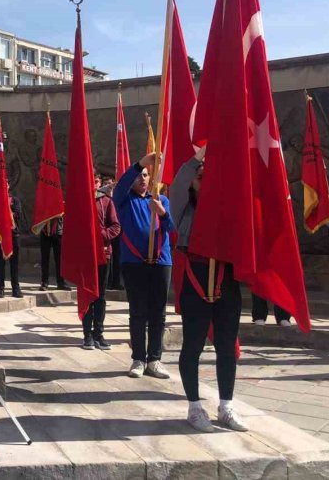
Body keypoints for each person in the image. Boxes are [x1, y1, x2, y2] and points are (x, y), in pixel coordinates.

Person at [170, 146, 248, 433]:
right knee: (193, 345)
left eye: (210, 178)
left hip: (226, 279)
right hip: (196, 277)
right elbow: (179, 180)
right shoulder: (183, 207)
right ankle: (194, 407)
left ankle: (226, 405)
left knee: (227, 345)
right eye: (201, 177)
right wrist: (200, 156)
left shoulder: (228, 207)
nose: (205, 181)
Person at [113, 152, 173, 379]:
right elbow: (122, 185)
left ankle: (154, 359)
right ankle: (138, 358)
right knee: (137, 312)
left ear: (152, 179)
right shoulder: (125, 199)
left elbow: (172, 229)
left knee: (158, 313)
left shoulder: (161, 200)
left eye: (147, 175)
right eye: (139, 175)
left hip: (160, 262)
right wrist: (140, 164)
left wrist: (163, 214)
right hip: (134, 263)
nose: (142, 178)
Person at [82, 174, 121, 350]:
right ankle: (87, 335)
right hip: (86, 256)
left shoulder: (107, 202)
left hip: (104, 254)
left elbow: (116, 226)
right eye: (91, 180)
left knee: (100, 296)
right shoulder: (80, 200)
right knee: (87, 295)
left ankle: (99, 333)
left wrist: (100, 237)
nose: (94, 184)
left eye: (97, 181)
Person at [0, 187, 25, 299]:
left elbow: (18, 215)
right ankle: (0, 288)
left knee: (14, 264)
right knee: (0, 265)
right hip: (0, 236)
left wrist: (7, 208)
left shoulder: (14, 200)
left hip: (13, 235)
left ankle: (15, 288)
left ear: (8, 186)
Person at [39, 217, 69, 291]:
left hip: (58, 230)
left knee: (59, 259)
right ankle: (44, 282)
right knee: (45, 258)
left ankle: (61, 282)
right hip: (45, 230)